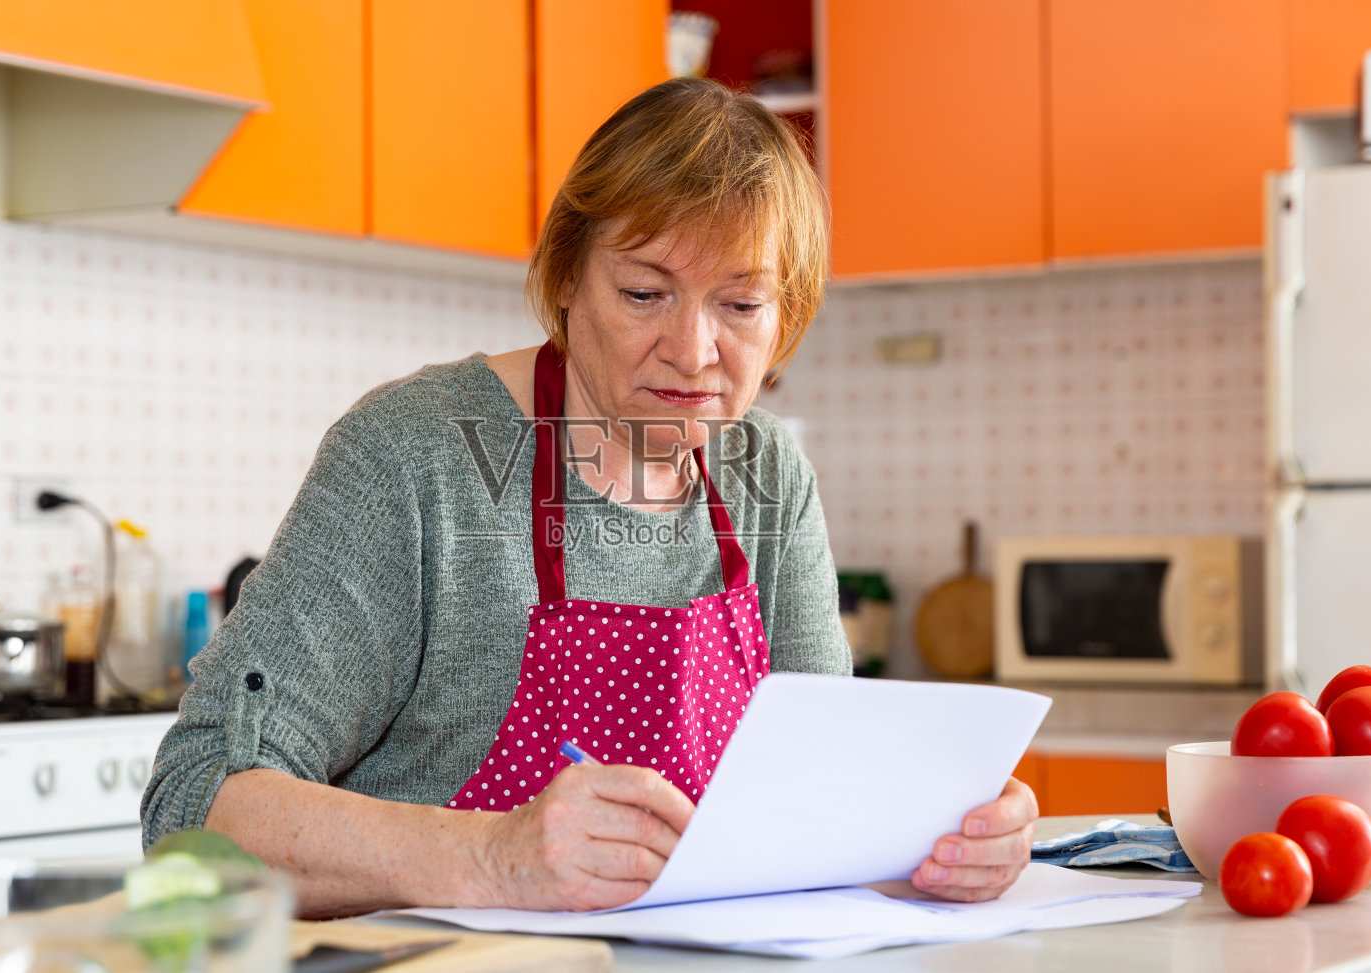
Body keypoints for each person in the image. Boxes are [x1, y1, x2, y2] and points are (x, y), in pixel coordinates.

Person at [141, 77, 1036, 918]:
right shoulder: (416, 455)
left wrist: (941, 838)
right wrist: (494, 856)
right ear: (566, 278)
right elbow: (192, 812)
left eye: (741, 305)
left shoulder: (764, 471)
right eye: (645, 292)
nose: (692, 350)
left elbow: (822, 791)